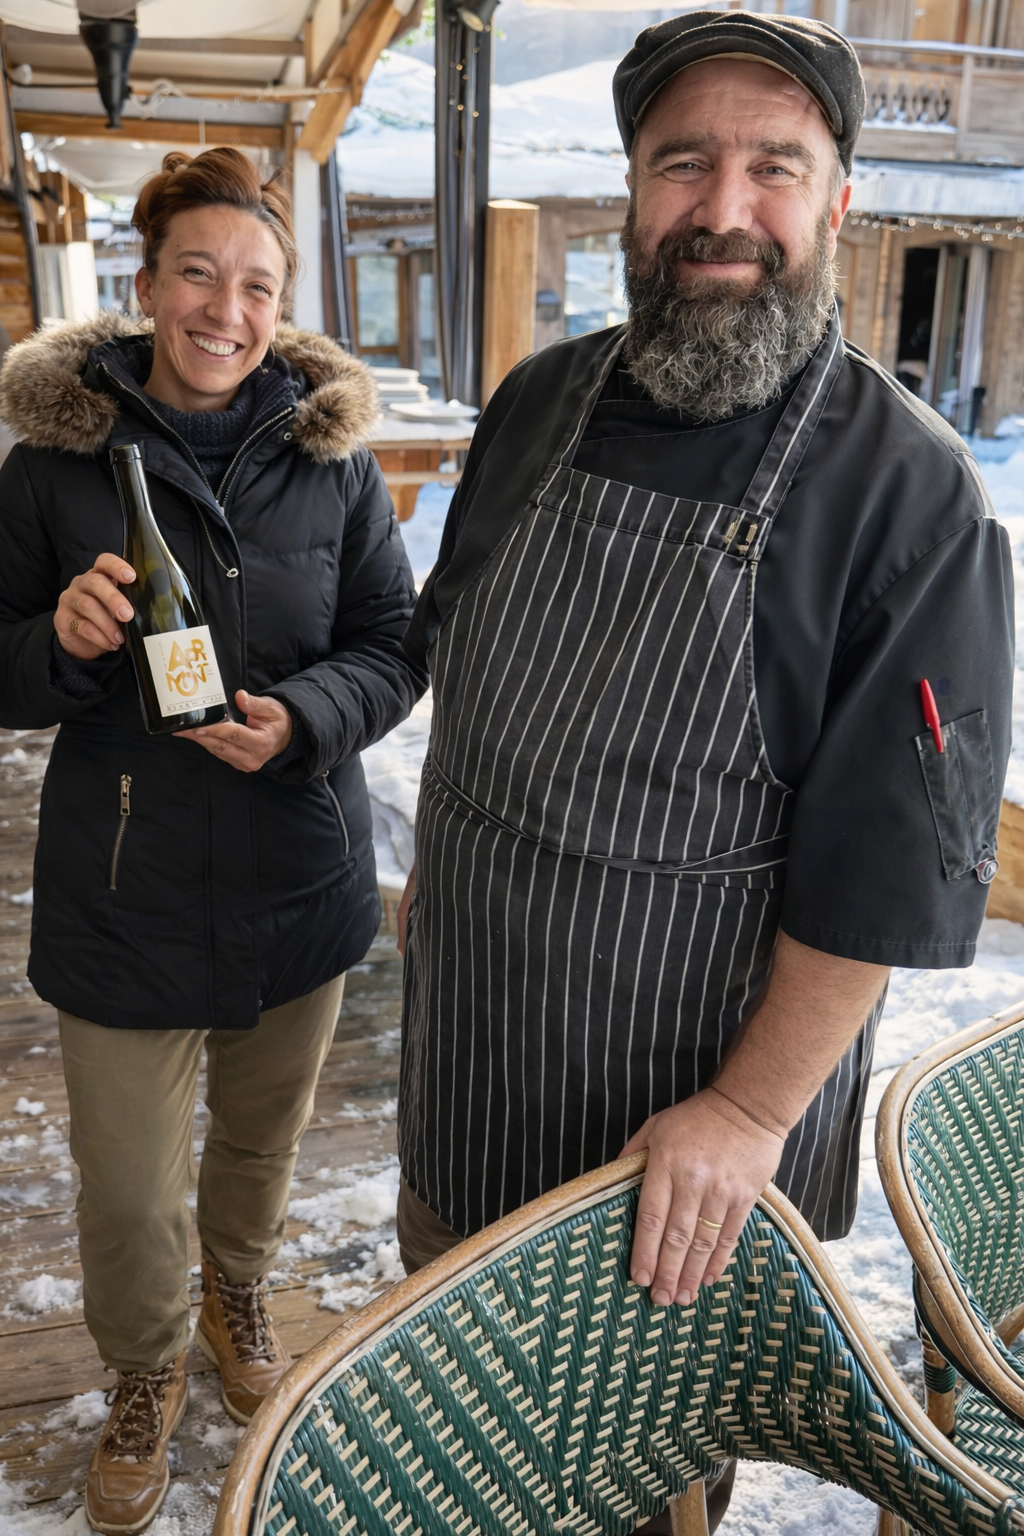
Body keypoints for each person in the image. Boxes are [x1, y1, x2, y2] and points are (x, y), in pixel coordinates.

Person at [396, 13, 1014, 1531]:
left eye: (773, 168)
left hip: (678, 1142)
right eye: (684, 163)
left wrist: (745, 1114)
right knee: (456, 1423)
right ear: (631, 189)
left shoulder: (912, 500)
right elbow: (460, 655)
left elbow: (891, 876)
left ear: (839, 204)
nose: (723, 210)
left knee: (630, 1477)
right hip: (468, 1061)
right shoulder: (537, 403)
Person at [0, 148, 425, 1535]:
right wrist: (58, 645)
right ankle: (141, 1368)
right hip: (122, 880)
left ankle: (236, 1292)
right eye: (198, 273)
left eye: (257, 286)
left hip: (299, 868)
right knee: (129, 1189)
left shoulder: (332, 460)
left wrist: (305, 719)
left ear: (282, 305)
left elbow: (395, 646)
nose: (225, 312)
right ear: (146, 283)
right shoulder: (55, 461)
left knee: (258, 1143)